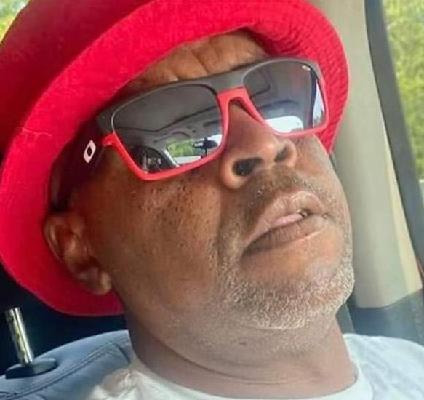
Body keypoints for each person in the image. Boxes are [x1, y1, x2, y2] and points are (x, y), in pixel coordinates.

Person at [0, 0, 423, 399]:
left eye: (277, 97)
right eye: (173, 133)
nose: (265, 142)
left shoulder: (408, 360)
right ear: (82, 250)